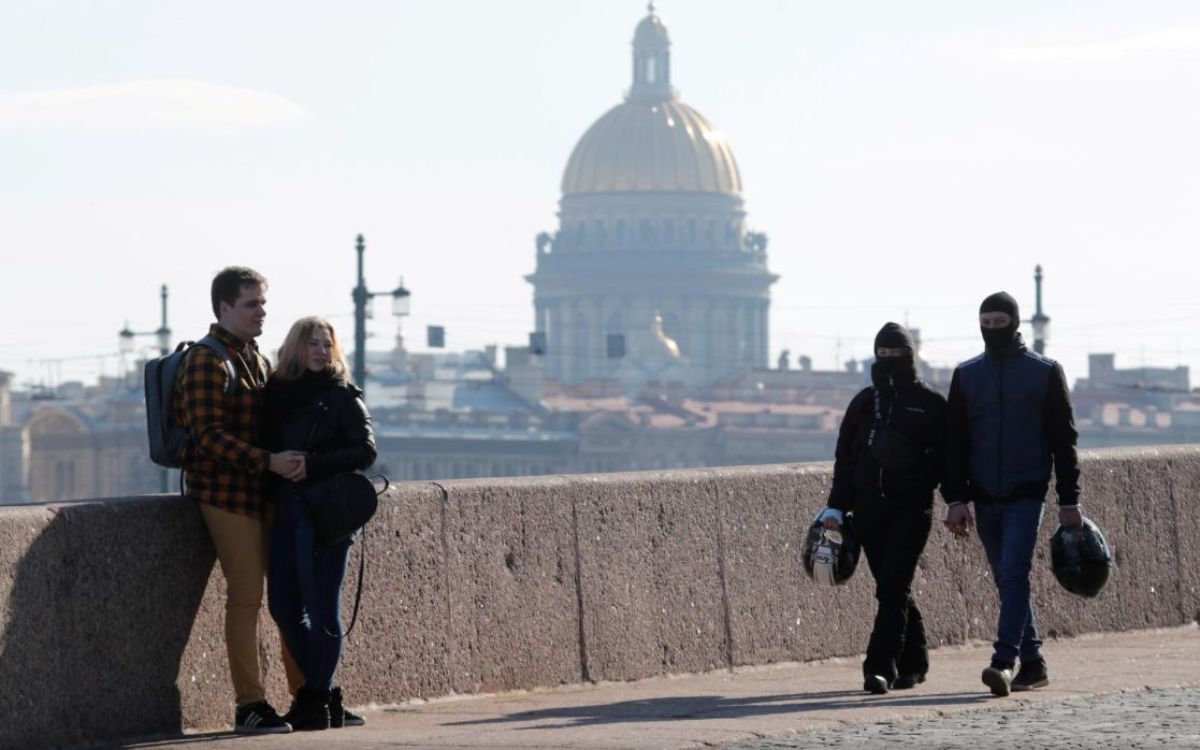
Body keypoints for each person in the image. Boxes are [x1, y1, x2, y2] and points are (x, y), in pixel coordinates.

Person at [175, 266, 303, 734]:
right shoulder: (205, 360)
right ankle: (250, 704)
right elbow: (207, 436)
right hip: (223, 493)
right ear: (224, 307)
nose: (261, 312)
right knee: (247, 596)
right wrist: (267, 461)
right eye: (252, 304)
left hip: (261, 490)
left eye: (263, 303)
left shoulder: (257, 358)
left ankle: (308, 695)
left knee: (289, 593)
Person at [942, 291, 1082, 697]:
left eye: (999, 323)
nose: (991, 330)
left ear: (1015, 324)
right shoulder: (966, 376)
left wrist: (1069, 500)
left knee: (1014, 572)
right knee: (1007, 580)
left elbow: (1064, 441)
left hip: (1027, 491)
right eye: (985, 324)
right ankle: (1034, 663)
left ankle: (1003, 661)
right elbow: (954, 443)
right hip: (984, 494)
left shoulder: (1044, 372)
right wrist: (955, 498)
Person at [820, 322, 947, 694]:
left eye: (897, 353)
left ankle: (879, 667)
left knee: (892, 588)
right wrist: (835, 507)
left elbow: (948, 459)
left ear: (911, 355)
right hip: (868, 511)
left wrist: (952, 497)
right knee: (893, 588)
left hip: (912, 510)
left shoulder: (931, 404)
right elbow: (845, 460)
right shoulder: (863, 404)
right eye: (883, 354)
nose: (890, 359)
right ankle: (915, 662)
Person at [264, 316, 376, 731]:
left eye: (327, 344)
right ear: (295, 348)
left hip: (327, 512)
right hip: (286, 508)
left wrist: (312, 465)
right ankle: (325, 696)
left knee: (322, 609)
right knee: (283, 607)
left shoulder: (342, 394)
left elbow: (366, 451)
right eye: (312, 343)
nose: (321, 351)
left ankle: (314, 701)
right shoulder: (275, 394)